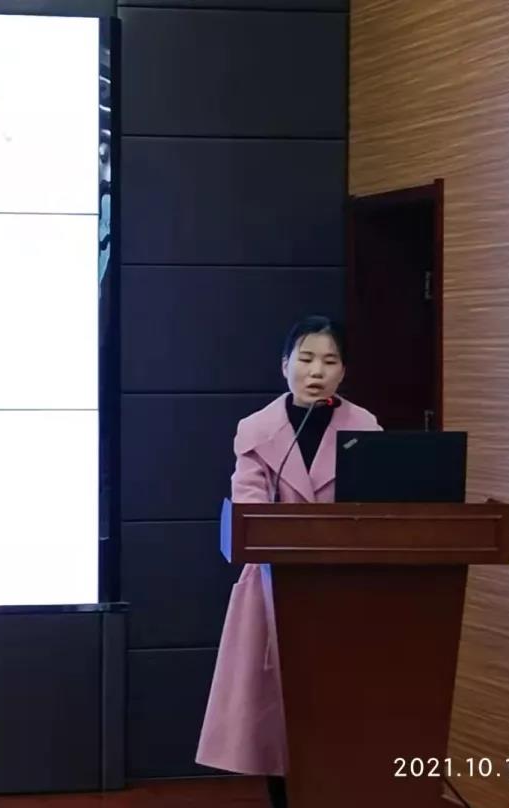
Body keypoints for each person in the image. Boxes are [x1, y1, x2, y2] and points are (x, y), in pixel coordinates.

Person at [195, 315, 382, 808]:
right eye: (306, 359)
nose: (316, 371)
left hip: (343, 589)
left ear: (343, 371)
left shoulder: (365, 428)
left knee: (339, 714)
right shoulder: (257, 431)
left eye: (330, 361)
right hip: (274, 589)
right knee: (275, 722)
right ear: (285, 366)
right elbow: (248, 511)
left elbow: (377, 510)